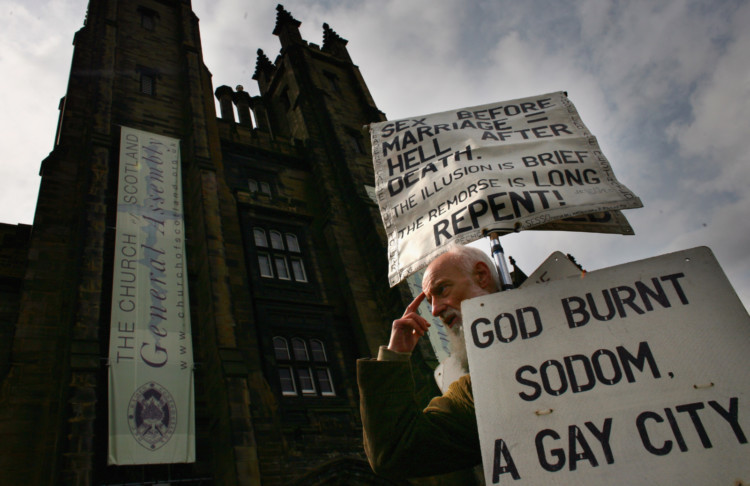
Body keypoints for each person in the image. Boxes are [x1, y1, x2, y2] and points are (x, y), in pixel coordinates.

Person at [357, 245, 501, 479]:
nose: (434, 311)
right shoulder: (475, 392)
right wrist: (395, 356)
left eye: (442, 289)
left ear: (482, 276)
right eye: (430, 301)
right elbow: (394, 451)